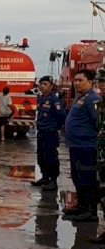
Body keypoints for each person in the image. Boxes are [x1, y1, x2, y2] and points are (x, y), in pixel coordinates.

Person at [62, 69, 100, 222]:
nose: (76, 83)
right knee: (78, 178)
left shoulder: (92, 99)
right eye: (75, 80)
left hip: (86, 146)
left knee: (86, 179)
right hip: (76, 145)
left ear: (89, 82)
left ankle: (90, 211)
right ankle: (81, 206)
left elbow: (96, 121)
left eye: (80, 80)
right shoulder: (80, 98)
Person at [31, 76, 66, 191]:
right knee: (41, 156)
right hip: (41, 132)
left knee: (51, 157)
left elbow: (61, 116)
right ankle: (45, 177)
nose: (42, 86)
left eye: (45, 84)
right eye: (40, 84)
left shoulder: (54, 100)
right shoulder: (40, 98)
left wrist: (55, 127)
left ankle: (53, 181)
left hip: (50, 132)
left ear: (51, 86)